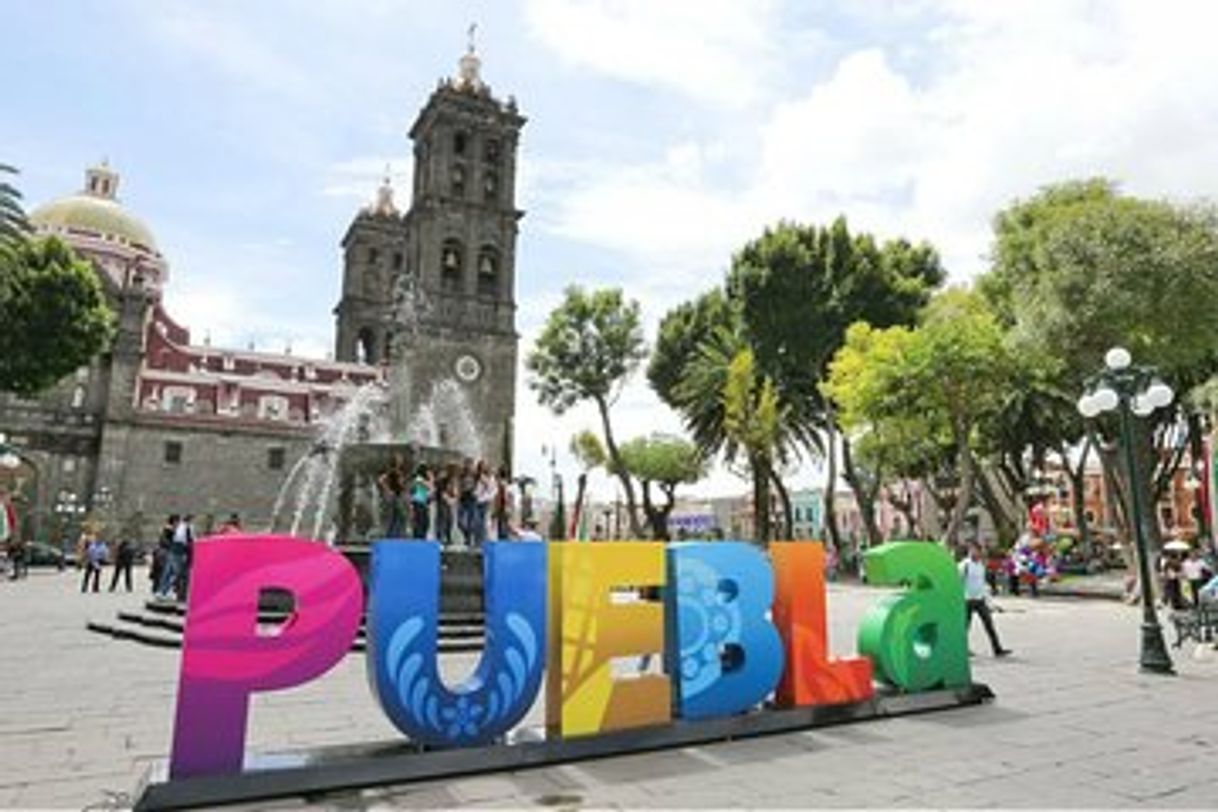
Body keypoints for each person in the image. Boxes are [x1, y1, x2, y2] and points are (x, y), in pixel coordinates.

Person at [959, 544, 1012, 658]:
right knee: (965, 627)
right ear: (970, 552)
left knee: (989, 625)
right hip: (967, 600)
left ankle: (997, 649)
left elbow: (982, 584)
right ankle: (962, 649)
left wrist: (990, 603)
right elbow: (958, 582)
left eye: (978, 551)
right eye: (973, 551)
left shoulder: (981, 566)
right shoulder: (964, 565)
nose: (976, 553)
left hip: (980, 600)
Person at [378, 456, 408, 538]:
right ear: (395, 461)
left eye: (401, 460)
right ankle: (391, 536)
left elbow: (401, 484)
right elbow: (380, 480)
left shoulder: (399, 471)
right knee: (397, 516)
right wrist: (388, 490)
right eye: (399, 460)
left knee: (398, 516)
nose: (401, 462)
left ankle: (395, 535)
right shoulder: (391, 471)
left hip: (399, 495)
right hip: (395, 497)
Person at [435, 464, 458, 548]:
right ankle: (440, 538)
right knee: (442, 520)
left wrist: (453, 499)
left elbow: (455, 492)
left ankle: (448, 537)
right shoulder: (443, 480)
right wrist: (449, 500)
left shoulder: (453, 480)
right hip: (442, 502)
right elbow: (441, 493)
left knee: (450, 520)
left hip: (449, 503)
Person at [473, 460, 495, 548]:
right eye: (481, 466)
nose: (483, 468)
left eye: (484, 466)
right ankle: (477, 541)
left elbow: (492, 489)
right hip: (477, 501)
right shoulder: (476, 477)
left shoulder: (490, 478)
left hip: (485, 501)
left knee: (483, 522)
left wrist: (485, 481)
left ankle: (482, 541)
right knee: (476, 522)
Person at [457, 458, 478, 547]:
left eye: (470, 464)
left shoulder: (476, 475)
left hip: (472, 499)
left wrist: (476, 493)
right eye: (467, 464)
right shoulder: (461, 475)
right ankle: (466, 534)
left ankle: (469, 539)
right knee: (460, 522)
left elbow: (479, 486)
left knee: (471, 520)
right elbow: (458, 485)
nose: (469, 466)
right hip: (462, 499)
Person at [409, 464, 432, 539]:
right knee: (420, 523)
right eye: (428, 470)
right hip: (418, 503)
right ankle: (418, 539)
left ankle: (422, 538)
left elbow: (430, 490)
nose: (429, 472)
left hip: (423, 503)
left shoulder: (422, 479)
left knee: (425, 523)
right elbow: (428, 486)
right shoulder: (418, 479)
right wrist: (431, 479)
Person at [492, 467, 513, 541]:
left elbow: (502, 498)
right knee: (504, 527)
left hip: (502, 509)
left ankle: (503, 544)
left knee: (502, 528)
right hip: (505, 508)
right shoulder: (506, 484)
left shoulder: (501, 484)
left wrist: (496, 510)